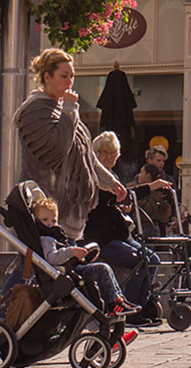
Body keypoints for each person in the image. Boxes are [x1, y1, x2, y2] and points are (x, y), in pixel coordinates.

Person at [14, 48, 125, 241]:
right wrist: (70, 109)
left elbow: (86, 156)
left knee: (46, 269)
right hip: (48, 215)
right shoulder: (35, 109)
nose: (69, 82)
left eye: (72, 76)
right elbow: (57, 148)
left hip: (70, 215)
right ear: (47, 77)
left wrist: (111, 182)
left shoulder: (64, 109)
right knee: (44, 267)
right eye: (64, 76)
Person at [81, 131, 161, 326]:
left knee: (153, 259)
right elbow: (116, 198)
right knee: (140, 261)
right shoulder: (95, 178)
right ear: (95, 154)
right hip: (102, 239)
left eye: (112, 153)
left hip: (121, 236)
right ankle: (129, 310)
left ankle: (142, 305)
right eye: (104, 152)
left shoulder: (112, 176)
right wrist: (150, 187)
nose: (108, 157)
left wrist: (123, 206)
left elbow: (122, 198)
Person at [27, 197, 135, 316]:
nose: (50, 224)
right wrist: (70, 251)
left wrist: (83, 257)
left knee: (104, 268)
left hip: (70, 269)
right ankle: (112, 302)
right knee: (102, 269)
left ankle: (118, 299)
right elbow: (51, 258)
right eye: (45, 220)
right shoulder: (46, 239)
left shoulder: (55, 236)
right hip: (63, 274)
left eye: (54, 221)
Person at [134, 164, 177, 236]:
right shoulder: (136, 189)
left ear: (148, 175)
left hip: (148, 227)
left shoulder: (156, 194)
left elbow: (151, 210)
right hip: (138, 227)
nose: (139, 175)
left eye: (142, 172)